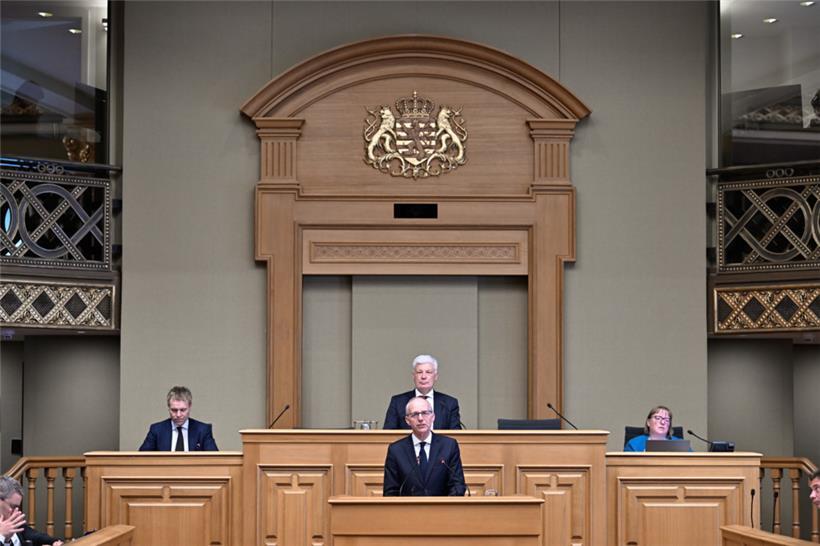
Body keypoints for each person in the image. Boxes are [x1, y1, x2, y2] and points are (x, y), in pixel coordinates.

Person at [383, 396, 467, 496]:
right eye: (414, 414)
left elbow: (457, 486)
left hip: (442, 509)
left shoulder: (449, 446)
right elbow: (390, 492)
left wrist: (445, 508)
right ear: (407, 420)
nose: (420, 418)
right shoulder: (396, 450)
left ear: (433, 417)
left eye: (425, 413)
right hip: (408, 510)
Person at [383, 354, 461, 430]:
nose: (423, 376)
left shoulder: (450, 403)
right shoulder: (397, 402)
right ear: (413, 376)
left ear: (436, 376)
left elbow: (457, 437)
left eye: (428, 372)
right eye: (419, 372)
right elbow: (388, 435)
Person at [139, 386, 218, 451]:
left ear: (189, 407)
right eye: (174, 410)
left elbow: (216, 460)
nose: (178, 414)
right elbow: (141, 458)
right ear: (168, 408)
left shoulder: (203, 430)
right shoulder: (157, 430)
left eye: (183, 410)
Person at [0, 476, 64, 546]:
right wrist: (1, 536)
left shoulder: (15, 524)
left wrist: (54, 542)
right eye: (12, 506)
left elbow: (36, 536)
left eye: (17, 507)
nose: (16, 512)